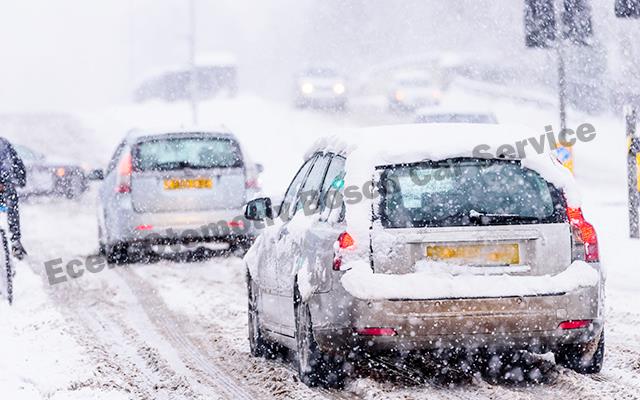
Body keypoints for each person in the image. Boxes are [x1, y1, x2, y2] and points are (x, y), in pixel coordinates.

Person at [0, 137, 27, 260]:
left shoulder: (3, 144)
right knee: (12, 212)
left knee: (11, 210)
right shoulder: (3, 143)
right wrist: (21, 179)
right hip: (6, 185)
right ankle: (15, 242)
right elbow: (16, 162)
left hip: (5, 184)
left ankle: (14, 242)